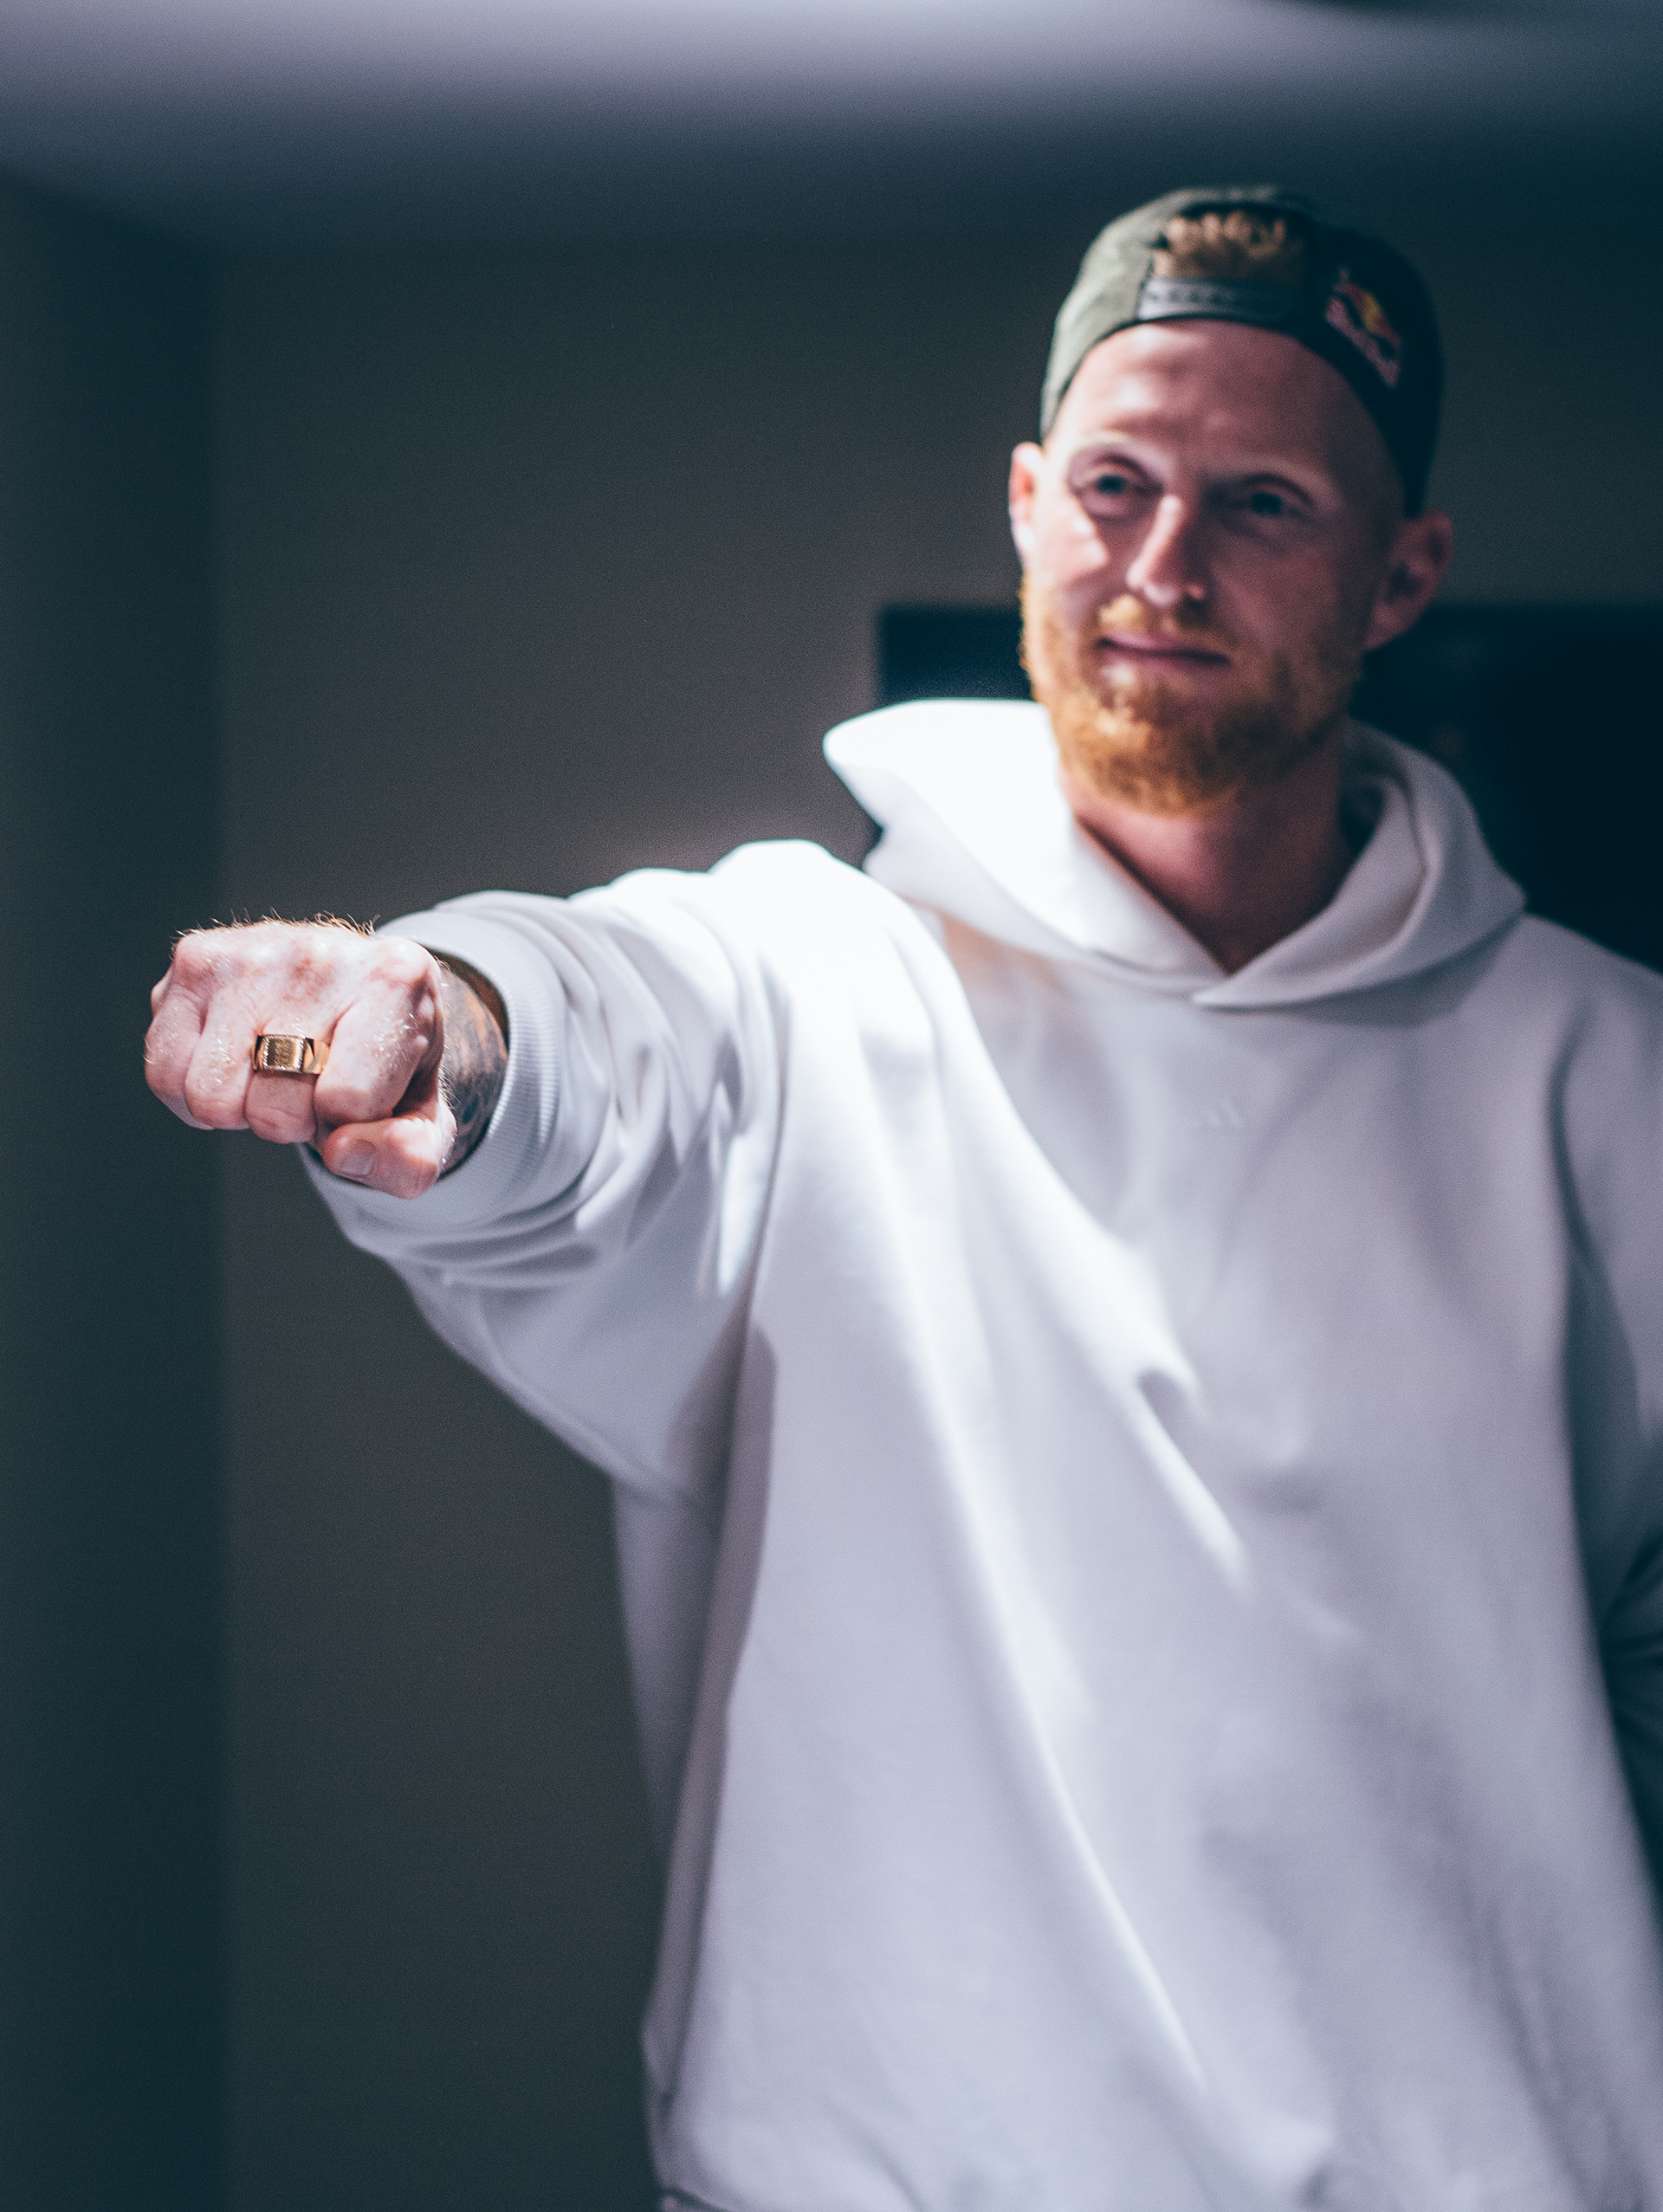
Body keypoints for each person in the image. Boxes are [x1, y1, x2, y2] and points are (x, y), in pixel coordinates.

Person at [146, 187, 1663, 2209]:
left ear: (1403, 575)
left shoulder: (1607, 1072)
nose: (1163, 562)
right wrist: (428, 1020)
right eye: (1114, 483)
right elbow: (605, 1020)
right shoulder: (819, 982)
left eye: (1263, 502)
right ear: (1029, 504)